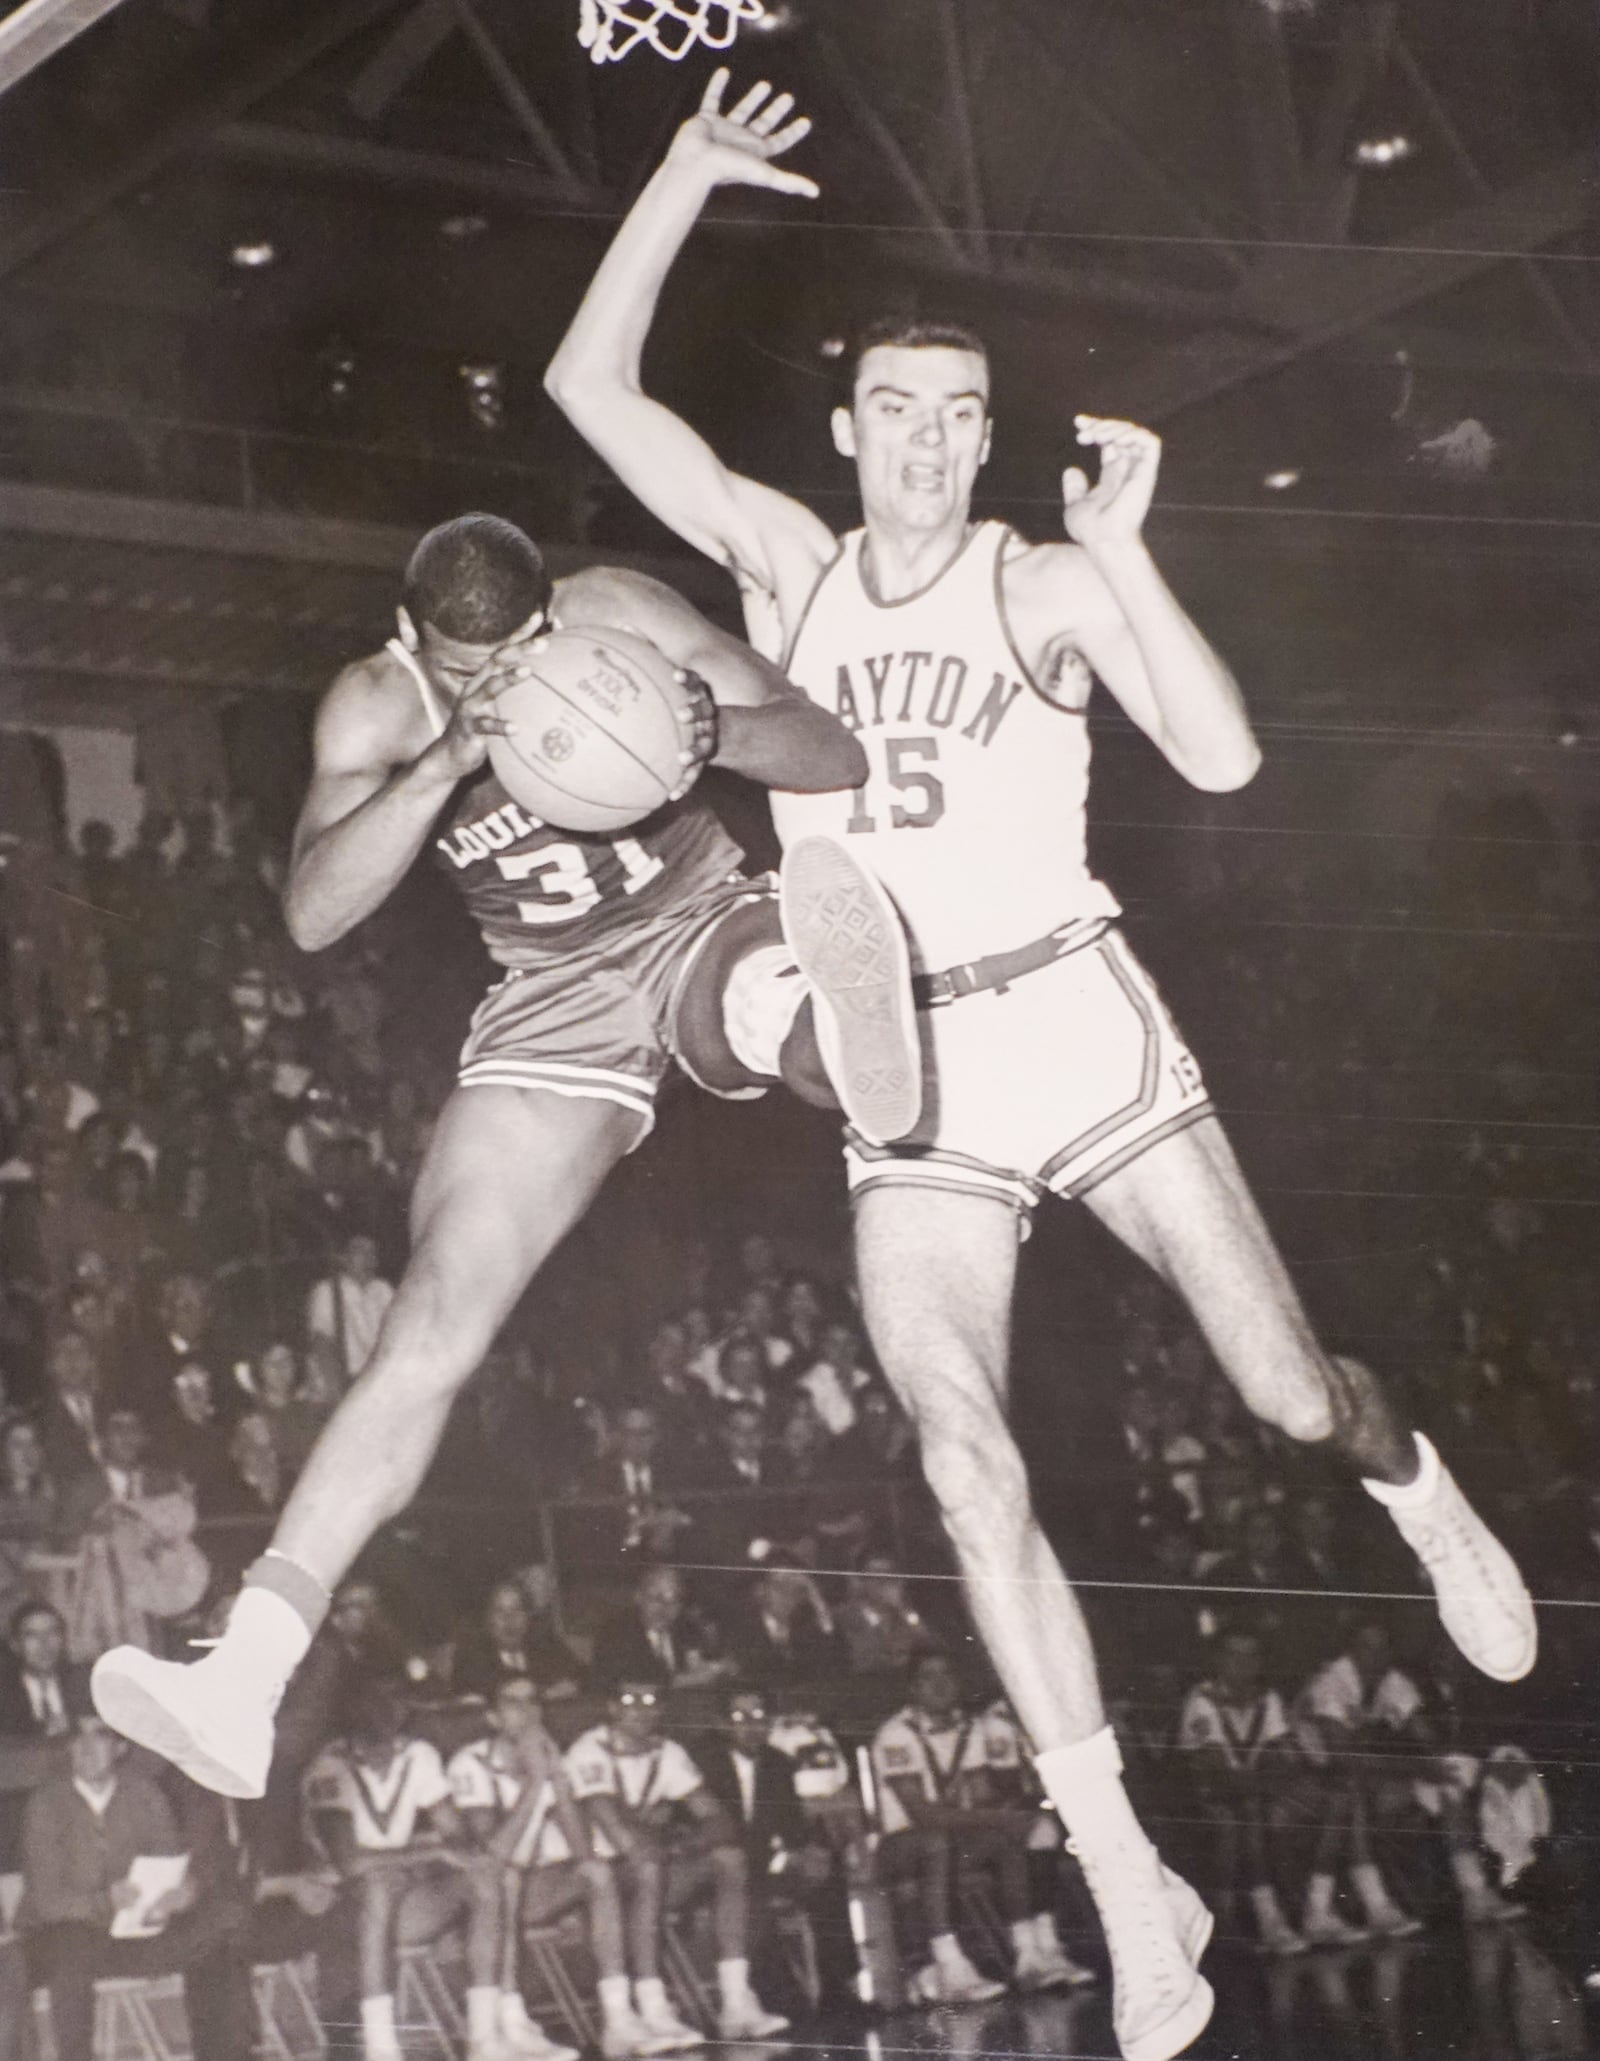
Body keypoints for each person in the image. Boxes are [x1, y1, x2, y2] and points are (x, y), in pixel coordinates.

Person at [542, 69, 1538, 2061]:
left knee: (1276, 1390)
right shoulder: (786, 568)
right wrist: (673, 173)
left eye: (953, 417)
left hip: (1076, 1017)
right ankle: (1117, 1875)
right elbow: (589, 389)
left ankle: (1406, 1477)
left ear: (982, 441)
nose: (923, 444)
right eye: (891, 413)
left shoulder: (1038, 580)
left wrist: (1129, 554)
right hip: (912, 1078)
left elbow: (1225, 757)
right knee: (952, 1443)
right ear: (843, 432)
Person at [91, 512, 922, 1798]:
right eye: (462, 667)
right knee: (426, 1323)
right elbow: (312, 914)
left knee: (756, 996)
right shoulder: (375, 706)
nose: (499, 683)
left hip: (696, 913)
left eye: (518, 655)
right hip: (550, 996)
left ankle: (848, 1039)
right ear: (409, 637)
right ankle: (245, 1677)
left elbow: (830, 744)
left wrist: (710, 730)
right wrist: (436, 767)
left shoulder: (624, 611)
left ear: (550, 615)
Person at [565, 1673, 789, 2046]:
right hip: (593, 1878)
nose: (640, 1711)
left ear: (663, 1709)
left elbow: (720, 1821)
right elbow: (618, 1833)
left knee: (729, 1859)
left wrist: (679, 1846)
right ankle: (635, 2013)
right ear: (610, 1708)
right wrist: (657, 1840)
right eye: (630, 1701)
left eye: (650, 1702)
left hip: (648, 1868)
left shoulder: (667, 1752)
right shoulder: (588, 1751)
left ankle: (736, 2002)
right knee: (648, 1864)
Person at [870, 1653, 1091, 2002]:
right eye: (929, 1676)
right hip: (898, 1845)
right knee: (938, 1840)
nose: (941, 1683)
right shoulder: (896, 1733)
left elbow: (980, 1796)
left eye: (948, 1674)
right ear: (912, 1688)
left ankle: (1030, 1954)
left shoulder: (968, 1727)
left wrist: (1017, 1816)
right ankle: (949, 1966)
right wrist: (1003, 1817)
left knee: (1010, 1837)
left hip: (950, 1835)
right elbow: (923, 1815)